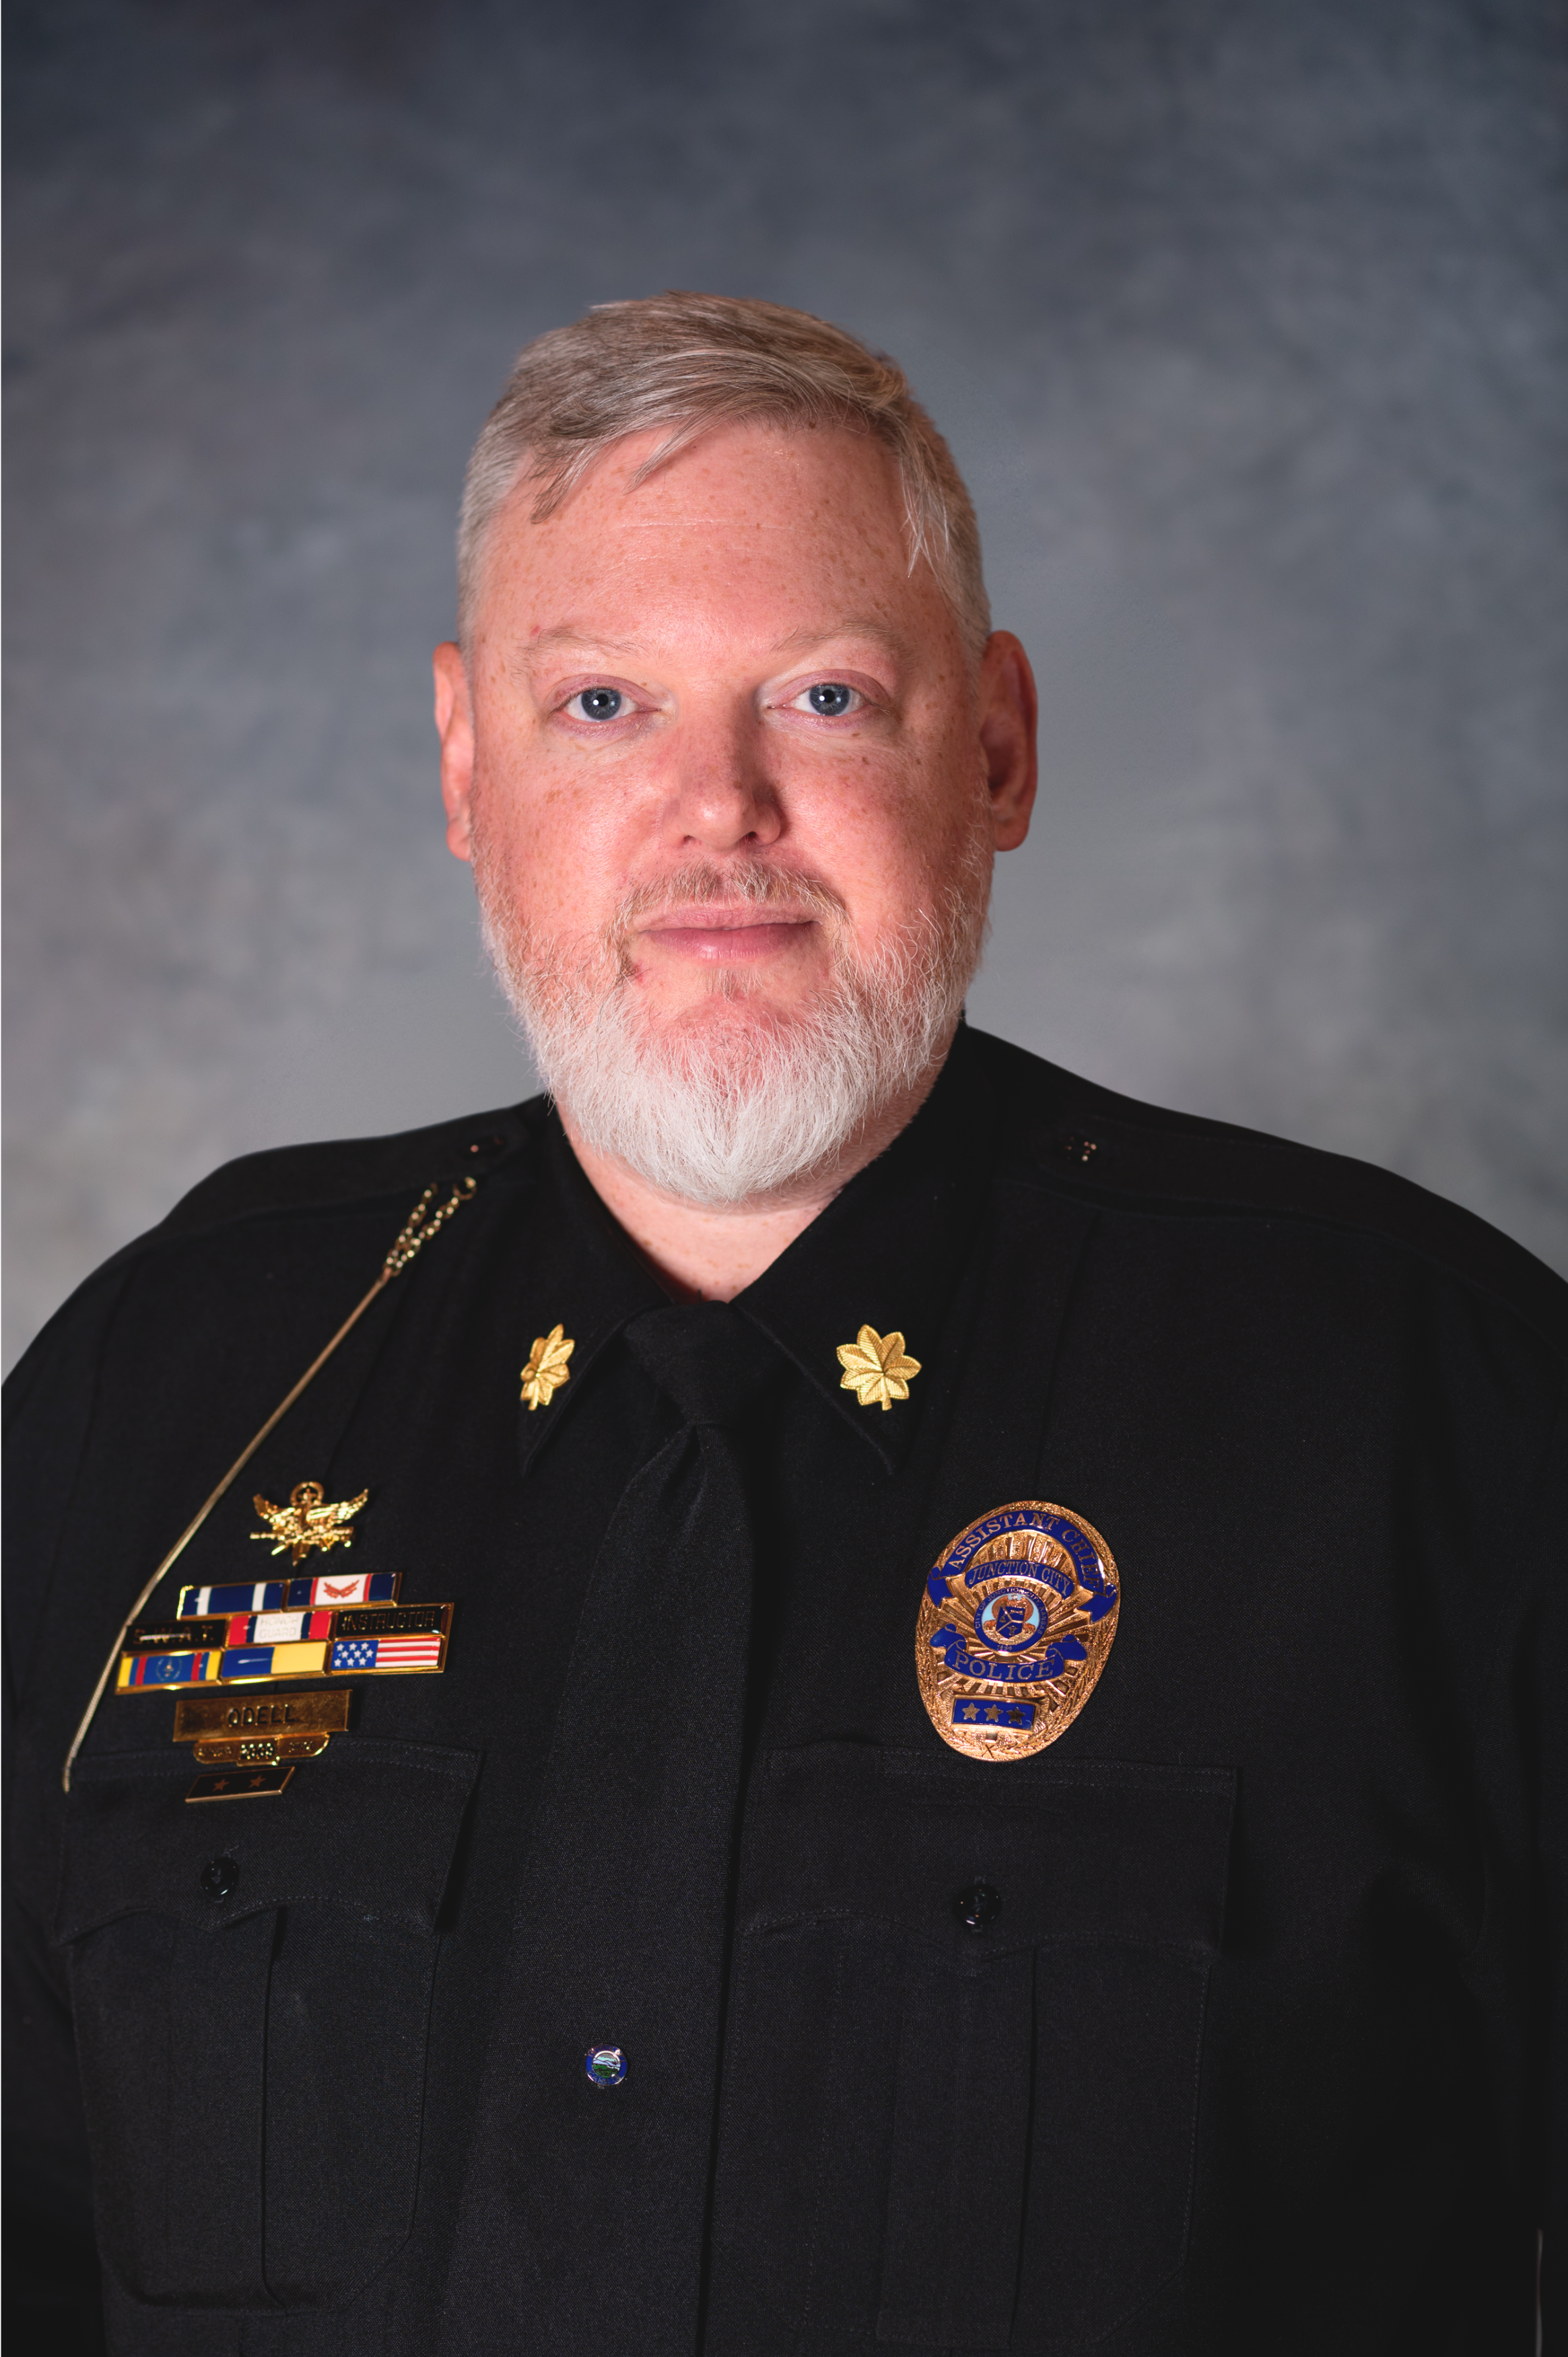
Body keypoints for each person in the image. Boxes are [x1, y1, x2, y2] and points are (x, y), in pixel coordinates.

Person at [4, 293, 1561, 2357]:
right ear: (466, 764)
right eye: (603, 707)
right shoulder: (164, 1389)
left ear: (994, 745)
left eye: (824, 695)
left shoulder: (1430, 1409)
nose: (717, 808)